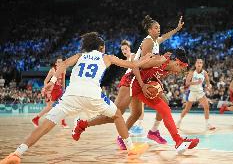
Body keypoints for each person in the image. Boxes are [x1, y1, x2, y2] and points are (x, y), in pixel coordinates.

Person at [0, 32, 151, 164]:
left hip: (71, 94)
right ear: (100, 47)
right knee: (117, 115)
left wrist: (52, 82)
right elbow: (132, 64)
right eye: (103, 46)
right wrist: (146, 60)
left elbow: (64, 64)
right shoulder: (107, 57)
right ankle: (131, 150)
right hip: (92, 94)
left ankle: (16, 154)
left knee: (45, 125)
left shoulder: (80, 55)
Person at [76, 15, 185, 148]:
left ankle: (153, 131)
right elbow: (138, 65)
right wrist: (143, 83)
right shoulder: (148, 42)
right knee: (114, 115)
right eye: (156, 28)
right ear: (149, 30)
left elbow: (166, 36)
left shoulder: (156, 41)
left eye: (159, 28)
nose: (159, 30)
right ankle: (83, 123)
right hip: (133, 78)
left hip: (142, 79)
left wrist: (177, 29)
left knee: (140, 112)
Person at [72, 49, 200, 154]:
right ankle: (82, 125)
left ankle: (178, 141)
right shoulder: (159, 60)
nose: (180, 72)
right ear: (177, 62)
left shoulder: (169, 67)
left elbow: (151, 75)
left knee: (161, 108)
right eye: (182, 69)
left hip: (142, 86)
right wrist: (144, 86)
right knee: (114, 116)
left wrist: (153, 86)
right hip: (131, 82)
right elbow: (135, 67)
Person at [176, 59, 216, 130]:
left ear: (202, 65)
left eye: (200, 63)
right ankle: (178, 122)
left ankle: (208, 124)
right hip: (192, 92)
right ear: (195, 64)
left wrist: (208, 86)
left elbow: (207, 81)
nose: (199, 64)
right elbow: (187, 83)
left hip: (200, 92)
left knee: (206, 106)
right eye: (198, 62)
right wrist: (196, 83)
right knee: (187, 109)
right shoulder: (192, 72)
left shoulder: (204, 73)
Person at [32, 58, 68, 128]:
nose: (60, 63)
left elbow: (63, 81)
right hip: (53, 90)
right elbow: (45, 81)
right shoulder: (52, 70)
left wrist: (64, 91)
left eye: (61, 62)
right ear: (56, 63)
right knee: (49, 107)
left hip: (60, 90)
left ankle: (63, 123)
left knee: (63, 106)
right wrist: (47, 91)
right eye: (58, 62)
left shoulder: (64, 69)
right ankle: (36, 119)